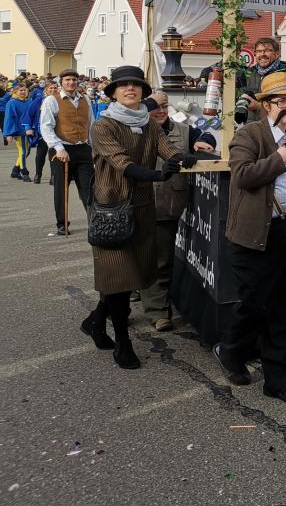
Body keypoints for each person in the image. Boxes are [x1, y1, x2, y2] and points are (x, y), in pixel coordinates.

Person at [213, 72, 286, 403]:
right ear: (266, 106)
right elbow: (243, 176)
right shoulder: (250, 134)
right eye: (282, 101)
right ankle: (232, 350)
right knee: (256, 302)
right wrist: (278, 161)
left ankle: (278, 379)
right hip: (263, 233)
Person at [83, 66, 197, 368]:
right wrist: (158, 175)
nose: (130, 89)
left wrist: (187, 157)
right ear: (114, 93)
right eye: (123, 85)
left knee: (131, 273)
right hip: (113, 209)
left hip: (143, 208)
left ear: (143, 93)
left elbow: (168, 148)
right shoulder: (103, 125)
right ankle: (123, 342)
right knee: (119, 276)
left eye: (135, 85)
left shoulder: (148, 124)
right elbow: (122, 163)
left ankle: (95, 322)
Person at [137, 92, 216, 330]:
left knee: (161, 259)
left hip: (169, 204)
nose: (160, 111)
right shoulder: (135, 130)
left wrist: (204, 142)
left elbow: (206, 135)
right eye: (154, 107)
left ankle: (158, 308)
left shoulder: (182, 129)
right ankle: (154, 307)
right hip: (139, 201)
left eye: (164, 106)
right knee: (142, 257)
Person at [4, 84, 34, 181]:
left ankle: (15, 170)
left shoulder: (30, 101)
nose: (23, 92)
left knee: (26, 151)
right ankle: (24, 172)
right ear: (15, 92)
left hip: (29, 130)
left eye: (25, 90)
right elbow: (8, 118)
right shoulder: (12, 103)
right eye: (20, 90)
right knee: (23, 151)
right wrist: (8, 134)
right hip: (18, 131)